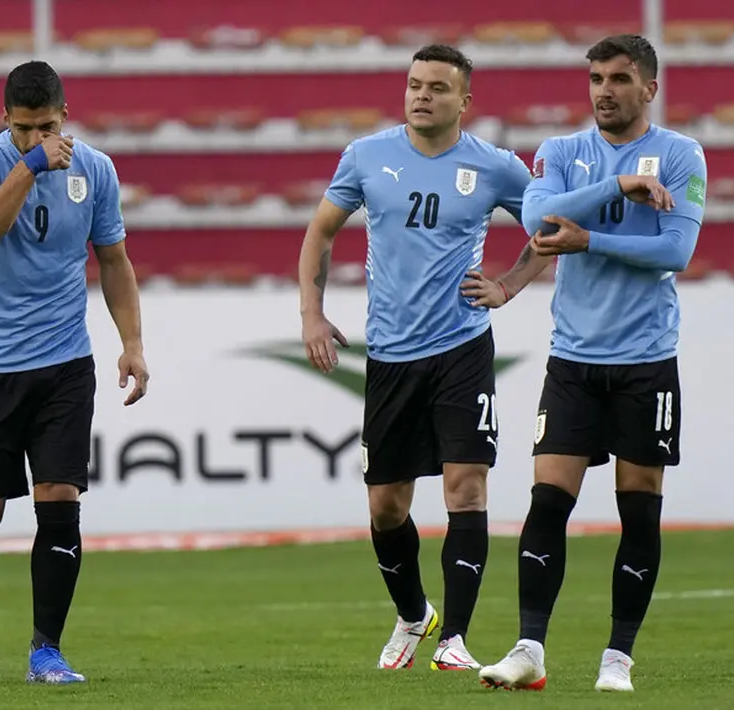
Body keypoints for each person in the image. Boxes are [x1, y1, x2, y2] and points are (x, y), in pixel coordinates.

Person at [474, 34, 704, 693]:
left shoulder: (682, 155)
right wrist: (619, 186)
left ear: (648, 89)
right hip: (572, 359)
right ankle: (528, 650)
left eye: (618, 78)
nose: (603, 89)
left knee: (639, 509)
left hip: (645, 360)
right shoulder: (562, 152)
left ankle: (617, 659)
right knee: (546, 502)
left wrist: (587, 239)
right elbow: (536, 219)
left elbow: (674, 251)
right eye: (596, 78)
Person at [297, 45, 532, 672]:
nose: (421, 95)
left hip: (461, 347)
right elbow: (320, 232)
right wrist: (311, 314)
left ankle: (453, 639)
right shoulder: (367, 156)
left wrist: (508, 283)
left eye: (436, 87)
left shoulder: (496, 167)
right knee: (386, 505)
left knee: (466, 486)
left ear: (465, 101)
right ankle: (413, 615)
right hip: (392, 355)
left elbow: (551, 230)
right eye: (413, 85)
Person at [0, 60, 148, 684]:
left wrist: (132, 343)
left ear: (66, 115)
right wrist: (29, 165)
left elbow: (112, 259)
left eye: (49, 127)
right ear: (5, 119)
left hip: (65, 362)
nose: (39, 138)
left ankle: (46, 651)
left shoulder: (96, 170)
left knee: (59, 500)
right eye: (27, 128)